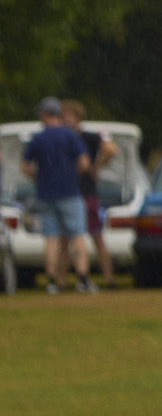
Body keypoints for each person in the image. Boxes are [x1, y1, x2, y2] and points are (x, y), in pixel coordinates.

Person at [19, 98, 94, 294]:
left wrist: (39, 177)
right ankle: (83, 279)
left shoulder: (38, 138)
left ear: (45, 114)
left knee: (50, 239)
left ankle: (51, 281)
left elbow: (25, 167)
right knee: (77, 236)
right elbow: (85, 163)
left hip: (45, 194)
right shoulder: (70, 136)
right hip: (70, 193)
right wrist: (71, 173)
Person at [61, 100, 116, 285]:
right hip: (72, 192)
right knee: (67, 240)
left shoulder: (87, 137)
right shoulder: (71, 137)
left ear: (76, 117)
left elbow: (110, 149)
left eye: (66, 115)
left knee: (94, 237)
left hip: (83, 192)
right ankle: (62, 281)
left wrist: (95, 167)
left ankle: (108, 278)